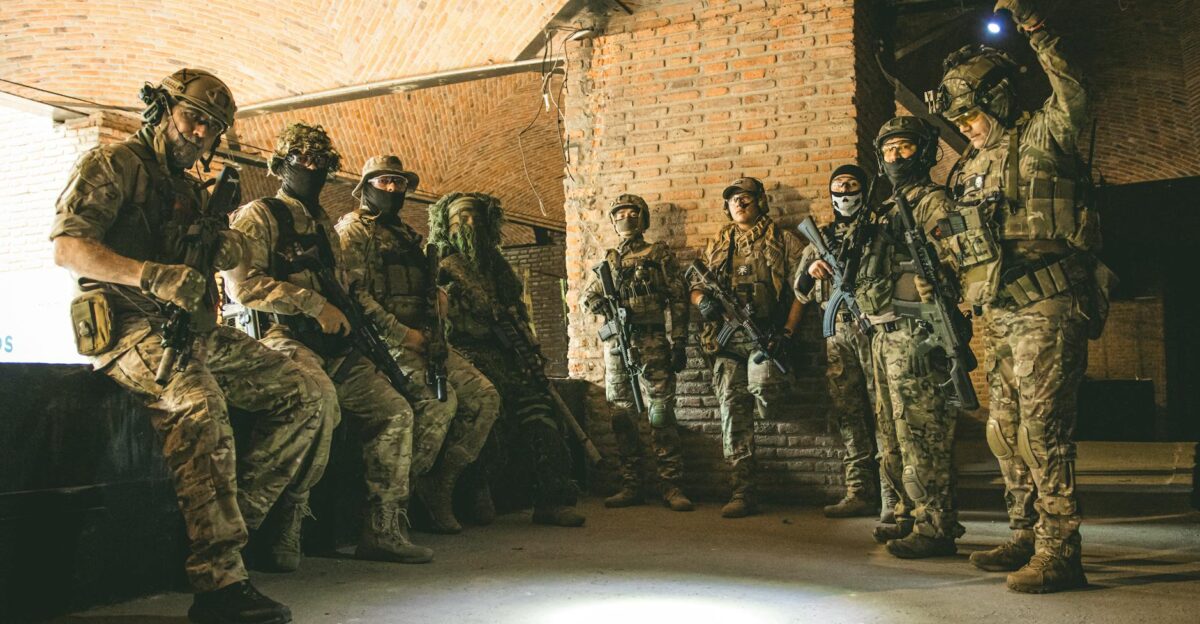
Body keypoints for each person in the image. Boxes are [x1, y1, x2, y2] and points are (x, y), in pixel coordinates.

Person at [50, 68, 316, 624]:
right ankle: (219, 583)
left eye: (212, 127)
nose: (200, 133)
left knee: (304, 395)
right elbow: (70, 249)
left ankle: (220, 536)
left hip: (190, 328)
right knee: (200, 405)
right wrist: (150, 275)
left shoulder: (191, 190)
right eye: (193, 117)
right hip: (127, 326)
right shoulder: (113, 164)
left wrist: (224, 246)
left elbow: (223, 267)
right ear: (163, 110)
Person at [930, 0, 1112, 592]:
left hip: (1049, 304)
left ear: (999, 100)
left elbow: (1074, 91)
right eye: (959, 119)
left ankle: (1061, 550)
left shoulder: (1043, 133)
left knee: (1043, 431)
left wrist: (1036, 28)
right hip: (1001, 311)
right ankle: (1026, 533)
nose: (966, 126)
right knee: (1003, 431)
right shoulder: (970, 166)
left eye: (972, 114)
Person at [225, 124, 434, 564]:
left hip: (334, 345)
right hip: (281, 336)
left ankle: (382, 529)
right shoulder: (259, 215)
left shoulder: (323, 225)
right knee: (319, 402)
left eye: (321, 162)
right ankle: (280, 526)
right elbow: (241, 286)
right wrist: (312, 304)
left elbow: (348, 289)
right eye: (303, 160)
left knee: (395, 411)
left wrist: (376, 329)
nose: (313, 168)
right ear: (281, 165)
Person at [336, 155, 501, 534]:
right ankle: (393, 504)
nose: (393, 189)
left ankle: (438, 484)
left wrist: (439, 306)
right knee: (440, 403)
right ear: (366, 187)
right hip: (383, 344)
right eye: (384, 182)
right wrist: (402, 335)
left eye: (398, 183)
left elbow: (422, 290)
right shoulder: (354, 230)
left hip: (425, 339)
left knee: (484, 398)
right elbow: (354, 296)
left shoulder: (406, 236)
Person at [428, 192, 585, 527]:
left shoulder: (497, 268)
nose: (470, 225)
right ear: (448, 226)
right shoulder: (442, 265)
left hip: (507, 352)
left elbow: (516, 313)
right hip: (466, 353)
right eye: (461, 219)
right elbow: (437, 320)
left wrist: (528, 349)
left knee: (540, 411)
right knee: (487, 410)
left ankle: (552, 498)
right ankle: (477, 490)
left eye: (476, 218)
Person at [846, 116, 964, 558]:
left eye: (905, 147)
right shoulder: (884, 208)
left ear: (924, 151)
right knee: (891, 435)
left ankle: (936, 525)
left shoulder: (935, 202)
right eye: (889, 149)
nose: (896, 157)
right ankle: (909, 513)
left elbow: (958, 259)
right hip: (882, 334)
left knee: (922, 432)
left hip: (916, 332)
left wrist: (939, 282)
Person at [689, 177, 805, 518]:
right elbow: (694, 285)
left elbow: (803, 292)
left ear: (761, 201)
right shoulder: (718, 243)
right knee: (732, 409)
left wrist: (787, 333)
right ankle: (742, 490)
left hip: (765, 336)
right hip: (726, 341)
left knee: (767, 389)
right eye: (733, 200)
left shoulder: (783, 240)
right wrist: (702, 302)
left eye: (746, 198)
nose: (739, 204)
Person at [795, 164, 898, 521]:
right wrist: (812, 270)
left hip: (876, 332)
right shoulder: (820, 238)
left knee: (884, 413)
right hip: (837, 337)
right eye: (838, 185)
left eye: (851, 184)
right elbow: (799, 291)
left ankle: (892, 496)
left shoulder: (879, 231)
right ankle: (859, 491)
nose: (844, 191)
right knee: (848, 413)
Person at [581, 194, 694, 512]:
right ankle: (631, 484)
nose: (626, 218)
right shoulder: (609, 261)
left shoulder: (658, 254)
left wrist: (679, 341)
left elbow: (678, 298)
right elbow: (587, 297)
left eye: (632, 212)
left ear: (642, 218)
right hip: (618, 346)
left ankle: (671, 485)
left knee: (661, 413)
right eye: (620, 214)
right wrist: (602, 305)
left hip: (653, 341)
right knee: (621, 416)